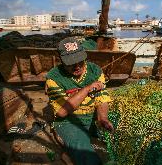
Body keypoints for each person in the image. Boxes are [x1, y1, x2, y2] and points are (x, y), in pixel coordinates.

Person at [45, 37, 114, 165]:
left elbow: (101, 97)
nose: (77, 66)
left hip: (92, 117)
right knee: (84, 152)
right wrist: (87, 89)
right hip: (68, 121)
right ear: (61, 60)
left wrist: (102, 118)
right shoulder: (53, 78)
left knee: (117, 132)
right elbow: (62, 112)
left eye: (79, 61)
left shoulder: (95, 70)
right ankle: (68, 148)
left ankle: (69, 153)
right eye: (71, 63)